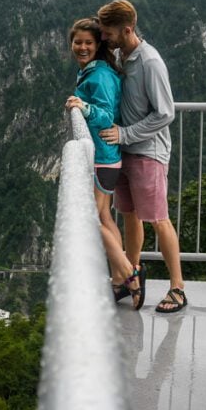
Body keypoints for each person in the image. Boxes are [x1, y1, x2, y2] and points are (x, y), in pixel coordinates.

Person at [96, 0, 187, 313]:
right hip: (125, 152)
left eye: (108, 33)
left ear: (128, 29)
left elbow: (165, 113)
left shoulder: (150, 62)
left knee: (159, 220)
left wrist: (125, 134)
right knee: (130, 217)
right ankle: (129, 275)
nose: (104, 37)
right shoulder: (123, 55)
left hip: (148, 153)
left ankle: (177, 288)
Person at [64, 17, 144, 310]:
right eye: (77, 42)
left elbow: (106, 114)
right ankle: (119, 279)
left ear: (98, 45)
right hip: (106, 158)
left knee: (92, 220)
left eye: (88, 42)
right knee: (106, 219)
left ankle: (130, 274)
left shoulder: (99, 76)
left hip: (101, 158)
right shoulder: (93, 72)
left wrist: (82, 106)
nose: (82, 47)